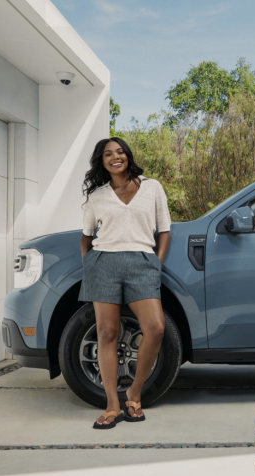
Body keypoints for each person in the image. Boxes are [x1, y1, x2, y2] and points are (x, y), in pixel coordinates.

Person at [79, 137, 171, 429]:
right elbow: (85, 237)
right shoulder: (98, 197)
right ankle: (113, 405)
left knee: (155, 328)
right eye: (108, 154)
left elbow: (165, 230)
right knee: (107, 333)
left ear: (128, 156)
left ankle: (134, 392)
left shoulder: (152, 187)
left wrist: (156, 262)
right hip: (104, 263)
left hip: (142, 263)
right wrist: (90, 265)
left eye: (120, 152)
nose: (115, 157)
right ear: (102, 162)